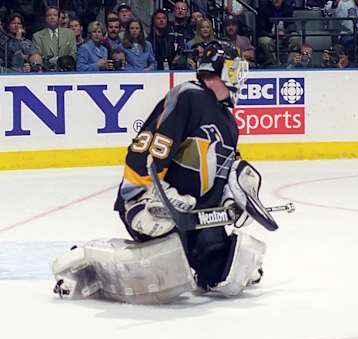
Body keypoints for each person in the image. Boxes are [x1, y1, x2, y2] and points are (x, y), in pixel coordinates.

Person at [51, 41, 276, 304]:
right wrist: (141, 196)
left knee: (223, 273)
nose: (238, 79)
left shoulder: (229, 123)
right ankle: (86, 263)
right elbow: (147, 146)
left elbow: (227, 173)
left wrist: (231, 203)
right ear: (215, 70)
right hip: (157, 206)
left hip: (195, 216)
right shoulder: (189, 95)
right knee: (166, 267)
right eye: (233, 70)